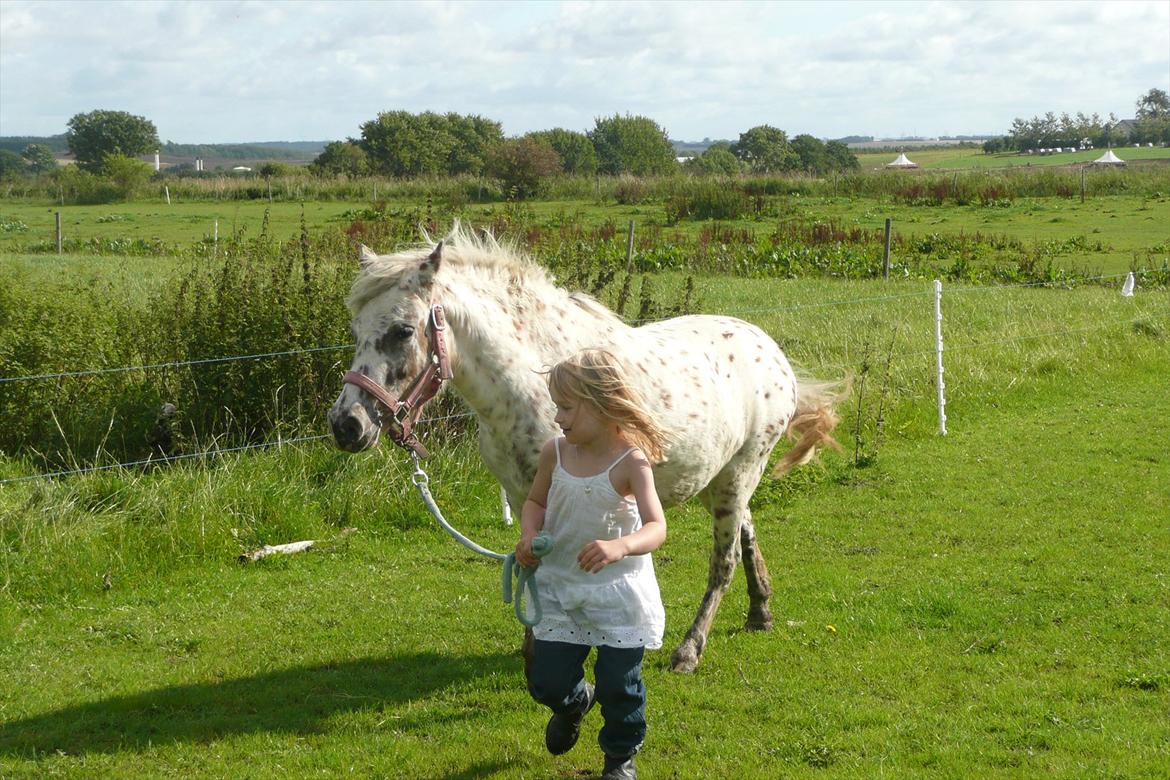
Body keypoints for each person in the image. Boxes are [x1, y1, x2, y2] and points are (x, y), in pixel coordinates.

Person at [515, 348, 670, 780]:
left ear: (602, 404)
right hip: (561, 586)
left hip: (617, 594)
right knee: (546, 680)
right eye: (557, 407)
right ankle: (574, 703)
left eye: (566, 408)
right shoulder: (556, 452)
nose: (558, 418)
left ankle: (620, 758)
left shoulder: (631, 462)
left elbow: (657, 527)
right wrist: (528, 534)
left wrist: (621, 546)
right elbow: (535, 502)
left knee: (620, 686)